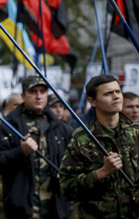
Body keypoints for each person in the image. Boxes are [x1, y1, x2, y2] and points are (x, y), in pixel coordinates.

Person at [0, 75, 72, 219]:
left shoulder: (61, 129)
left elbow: (75, 161)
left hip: (55, 208)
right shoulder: (9, 126)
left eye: (43, 92)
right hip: (22, 209)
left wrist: (67, 171)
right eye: (33, 92)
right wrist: (20, 151)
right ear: (23, 96)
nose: (39, 96)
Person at [59, 75, 138, 218]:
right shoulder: (81, 138)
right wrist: (101, 173)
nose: (116, 97)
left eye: (118, 91)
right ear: (92, 101)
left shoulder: (136, 132)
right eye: (108, 93)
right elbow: (67, 189)